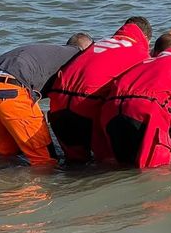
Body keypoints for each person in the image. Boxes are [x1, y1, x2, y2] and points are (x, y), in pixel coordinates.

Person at [0, 33, 93, 165]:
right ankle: (42, 185)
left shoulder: (52, 52)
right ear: (86, 49)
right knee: (44, 159)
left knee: (7, 154)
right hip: (9, 88)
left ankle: (1, 182)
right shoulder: (77, 57)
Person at [48, 16, 152, 163]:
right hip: (85, 107)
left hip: (57, 104)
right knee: (107, 166)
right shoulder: (140, 53)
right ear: (146, 38)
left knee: (74, 165)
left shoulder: (99, 43)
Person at [100, 34, 171, 168]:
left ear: (156, 52)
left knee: (121, 167)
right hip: (145, 110)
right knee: (156, 172)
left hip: (111, 109)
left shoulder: (144, 63)